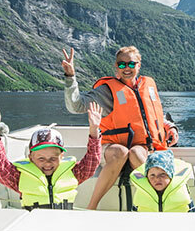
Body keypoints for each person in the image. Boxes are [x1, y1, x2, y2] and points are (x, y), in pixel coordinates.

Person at [61, 45, 177, 210]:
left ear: (139, 64)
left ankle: (157, 204)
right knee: (121, 152)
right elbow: (76, 105)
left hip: (145, 147)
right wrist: (70, 76)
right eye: (121, 64)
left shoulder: (149, 84)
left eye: (131, 63)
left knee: (136, 152)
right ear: (116, 67)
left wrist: (170, 127)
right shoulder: (107, 91)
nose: (126, 68)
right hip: (113, 148)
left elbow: (153, 114)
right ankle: (92, 206)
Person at [0, 101, 102, 210]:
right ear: (31, 158)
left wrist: (94, 130)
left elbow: (91, 162)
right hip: (34, 227)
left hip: (64, 224)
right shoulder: (19, 177)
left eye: (53, 158)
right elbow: (1, 170)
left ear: (62, 156)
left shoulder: (74, 173)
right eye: (41, 158)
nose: (47, 163)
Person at [130, 150, 195, 213]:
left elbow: (192, 216)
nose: (157, 179)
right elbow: (135, 216)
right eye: (152, 175)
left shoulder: (181, 191)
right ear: (147, 177)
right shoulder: (142, 192)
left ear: (170, 176)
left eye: (162, 174)